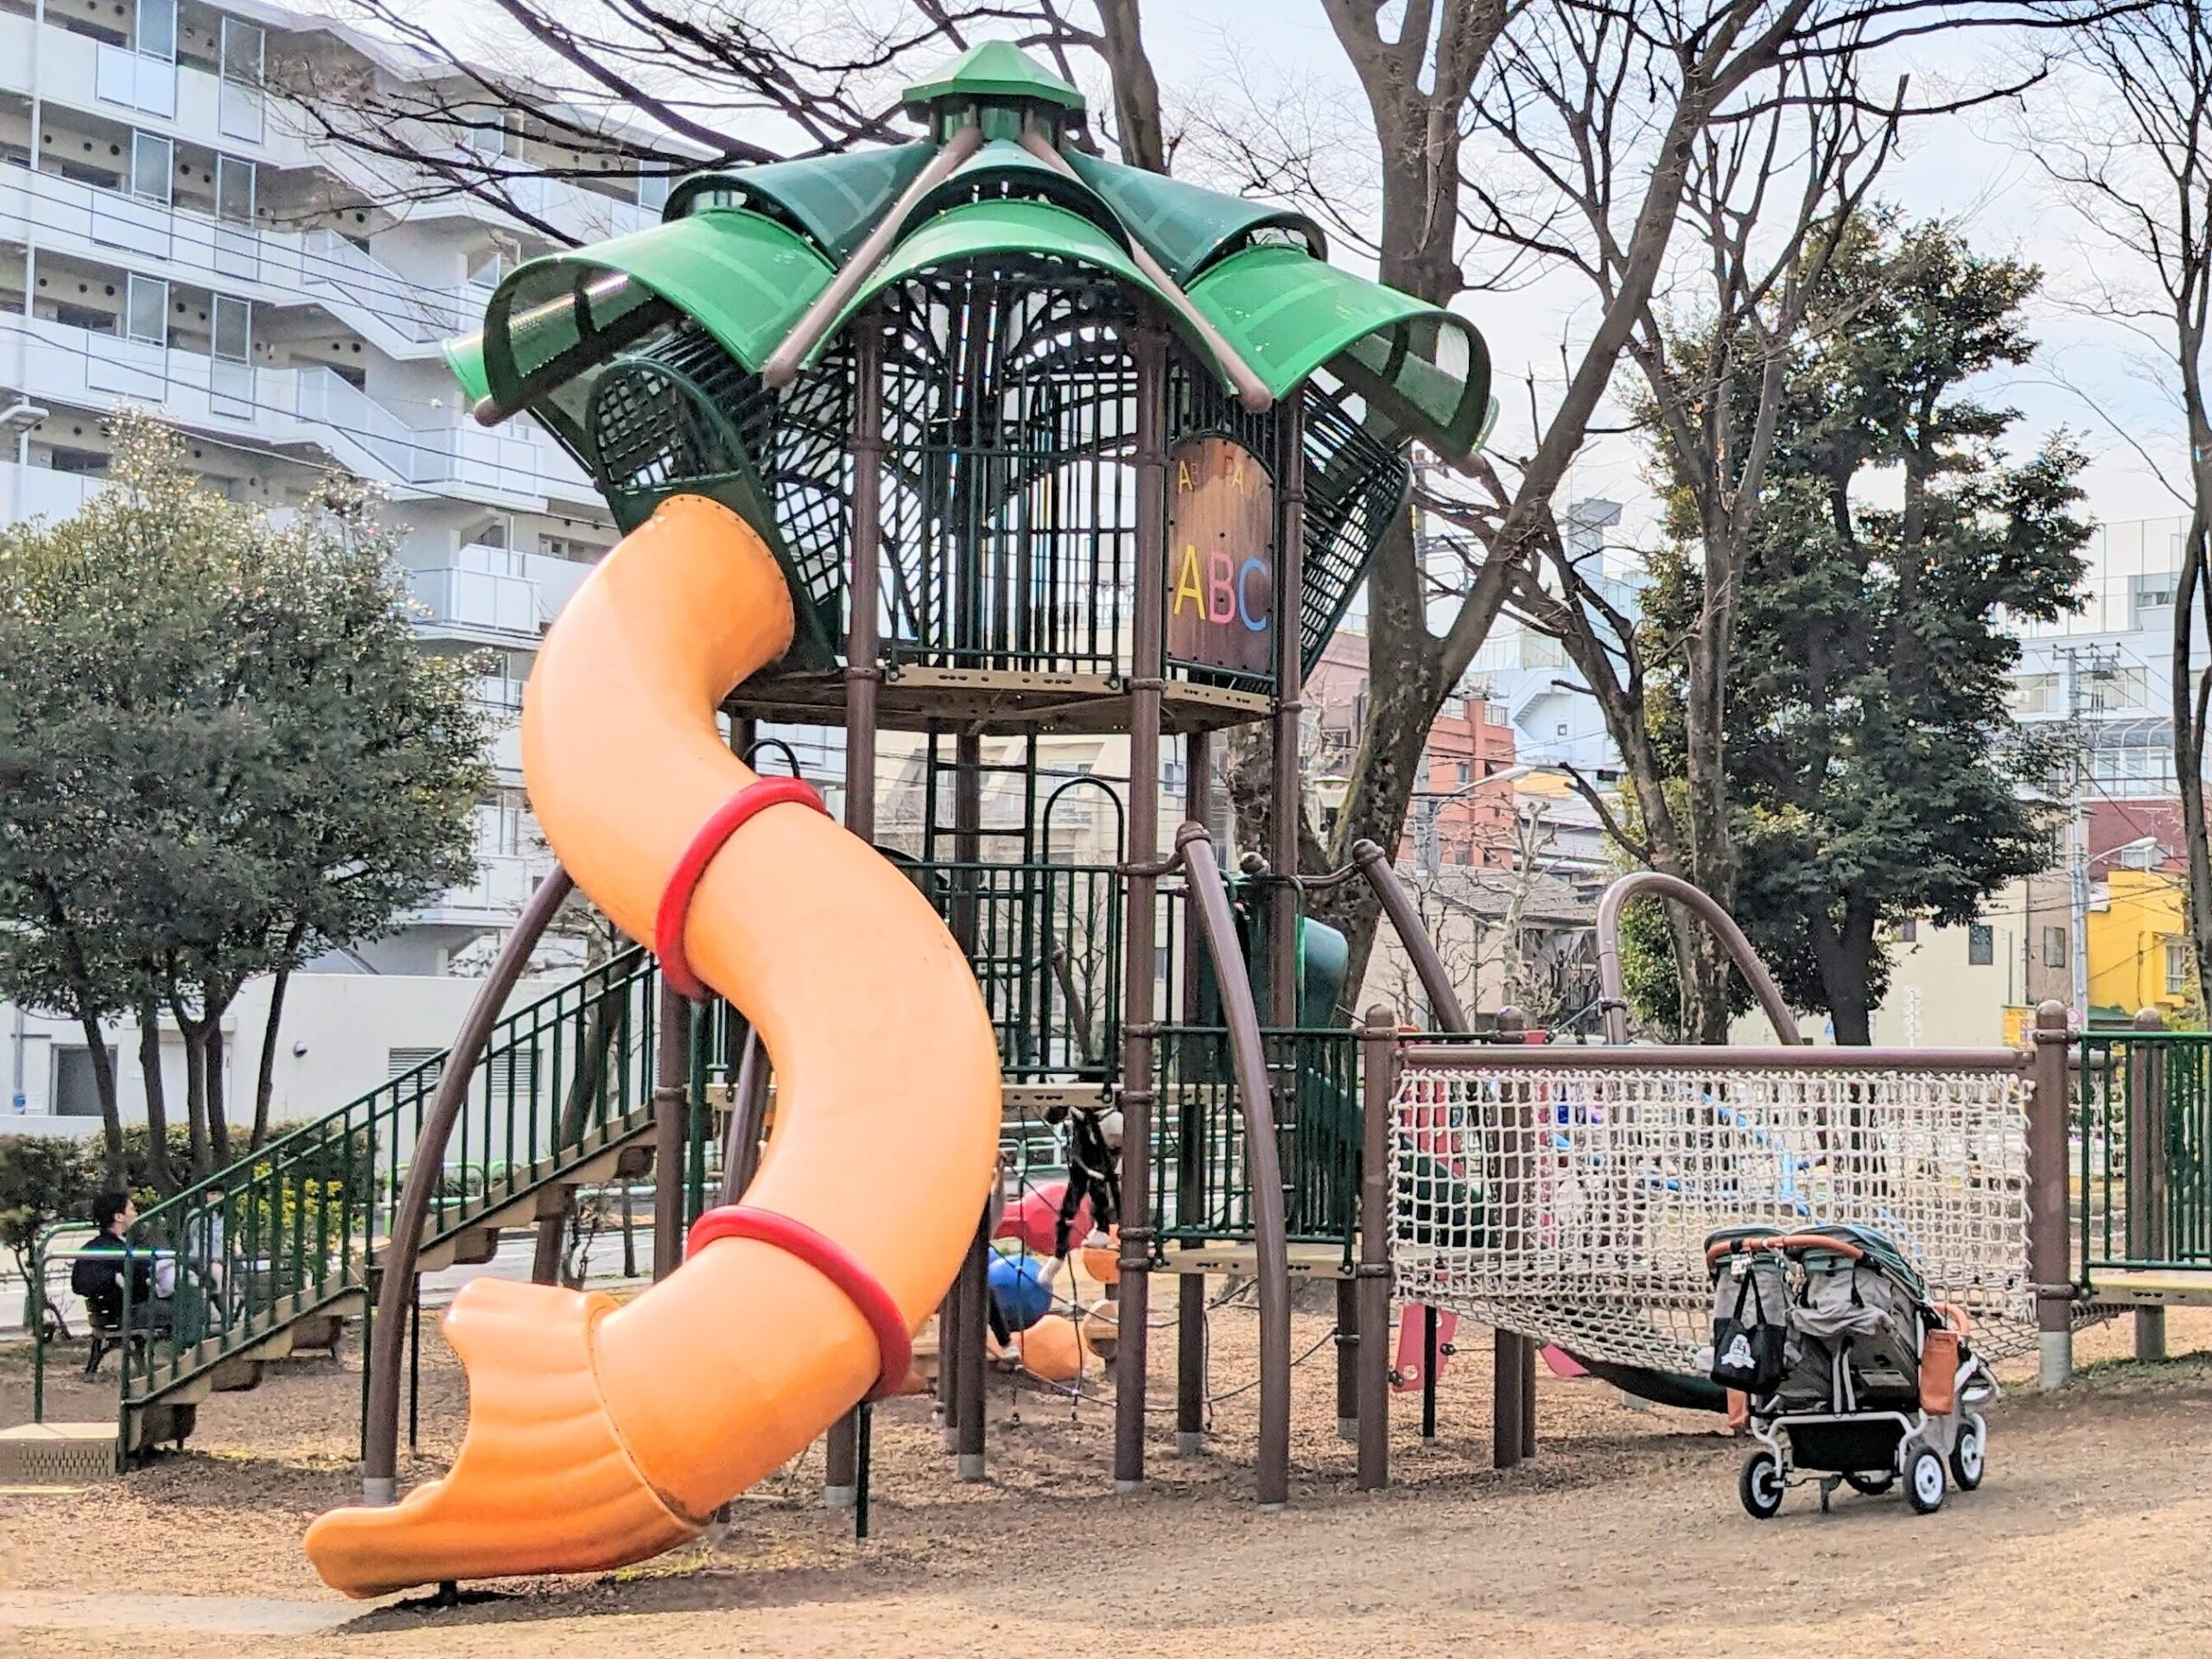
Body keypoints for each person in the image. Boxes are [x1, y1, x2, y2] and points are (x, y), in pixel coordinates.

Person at [71, 1192, 175, 1335]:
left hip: (132, 1309)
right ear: (119, 1217)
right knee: (190, 1307)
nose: (136, 1214)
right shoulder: (105, 1249)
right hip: (130, 1312)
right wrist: (113, 1278)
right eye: (132, 1210)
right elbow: (80, 1282)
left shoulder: (117, 1245)